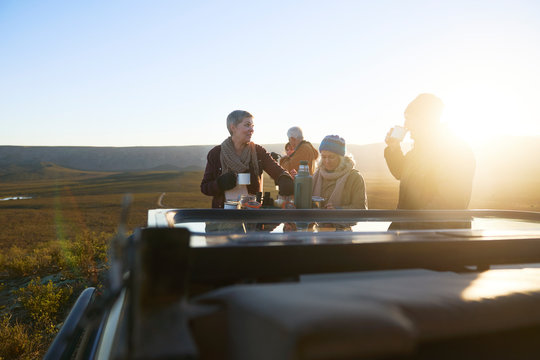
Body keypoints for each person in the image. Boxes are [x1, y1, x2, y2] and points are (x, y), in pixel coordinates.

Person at [384, 93, 476, 210]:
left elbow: (448, 205)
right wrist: (394, 148)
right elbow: (401, 173)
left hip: (427, 228)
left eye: (409, 118)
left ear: (424, 120)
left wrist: (412, 225)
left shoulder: (454, 151)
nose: (405, 125)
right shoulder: (417, 152)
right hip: (409, 226)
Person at [201, 110, 294, 208]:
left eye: (252, 126)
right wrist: (220, 184)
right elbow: (205, 188)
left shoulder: (258, 152)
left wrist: (284, 178)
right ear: (233, 127)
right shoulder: (216, 153)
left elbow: (277, 171)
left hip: (252, 214)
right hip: (223, 216)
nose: (252, 130)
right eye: (247, 125)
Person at [312, 135, 367, 209]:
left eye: (331, 157)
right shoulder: (316, 175)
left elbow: (361, 207)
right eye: (324, 157)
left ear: (341, 158)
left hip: (342, 220)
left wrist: (339, 209)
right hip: (316, 220)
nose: (327, 161)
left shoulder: (354, 177)